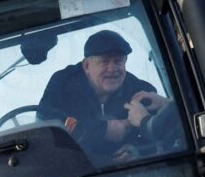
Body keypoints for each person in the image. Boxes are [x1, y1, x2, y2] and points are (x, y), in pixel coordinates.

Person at [35, 29, 171, 162]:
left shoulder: (142, 92)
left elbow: (162, 137)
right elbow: (46, 127)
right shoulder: (63, 84)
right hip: (75, 169)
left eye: (118, 61)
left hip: (129, 174)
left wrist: (138, 151)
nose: (112, 69)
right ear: (87, 66)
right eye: (104, 62)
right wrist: (103, 130)